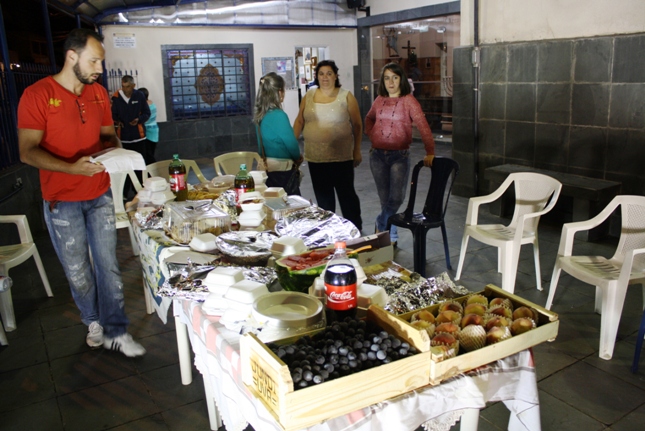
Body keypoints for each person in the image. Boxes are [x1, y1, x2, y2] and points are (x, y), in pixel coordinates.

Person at [17, 28, 146, 357]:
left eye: (101, 61)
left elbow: (107, 136)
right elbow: (27, 151)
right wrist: (71, 168)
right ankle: (93, 321)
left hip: (99, 193)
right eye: (93, 61)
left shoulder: (99, 94)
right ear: (71, 56)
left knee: (108, 265)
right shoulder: (37, 95)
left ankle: (116, 329)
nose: (100, 69)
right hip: (62, 201)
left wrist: (115, 152)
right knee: (78, 271)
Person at [364, 62, 435, 247]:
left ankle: (380, 224)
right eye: (387, 78)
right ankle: (391, 237)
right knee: (385, 199)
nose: (391, 82)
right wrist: (372, 134)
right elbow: (369, 118)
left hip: (399, 156)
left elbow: (423, 126)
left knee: (396, 198)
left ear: (401, 79)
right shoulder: (379, 99)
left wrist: (430, 151)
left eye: (395, 78)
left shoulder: (408, 100)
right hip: (377, 156)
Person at [293, 60, 363, 230]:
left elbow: (357, 125)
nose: (325, 77)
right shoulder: (309, 95)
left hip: (341, 157)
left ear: (335, 76)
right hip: (316, 158)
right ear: (316, 76)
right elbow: (300, 121)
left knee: (347, 196)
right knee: (324, 199)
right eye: (321, 74)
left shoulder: (346, 96)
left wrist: (357, 150)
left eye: (329, 73)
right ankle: (328, 231)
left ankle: (354, 229)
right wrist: (292, 147)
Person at [253, 72, 303, 195]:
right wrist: (297, 157)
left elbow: (260, 148)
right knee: (290, 202)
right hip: (283, 172)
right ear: (280, 93)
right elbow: (292, 145)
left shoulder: (259, 116)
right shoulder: (279, 115)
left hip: (267, 170)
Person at [138, 87, 158, 165]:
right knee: (151, 152)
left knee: (148, 155)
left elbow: (144, 119)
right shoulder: (151, 103)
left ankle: (153, 169)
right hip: (154, 131)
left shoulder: (144, 106)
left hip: (148, 131)